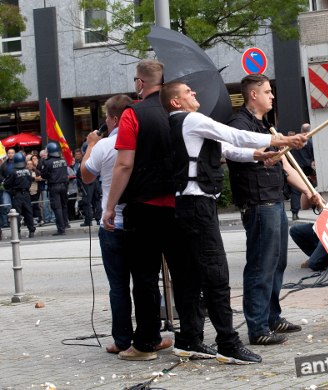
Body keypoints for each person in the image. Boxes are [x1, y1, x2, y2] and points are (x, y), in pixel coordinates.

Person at [159, 81, 307, 363]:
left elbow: (226, 148)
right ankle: (228, 344)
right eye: (188, 92)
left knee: (190, 276)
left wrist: (257, 154)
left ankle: (189, 340)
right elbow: (234, 135)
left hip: (187, 206)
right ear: (176, 102)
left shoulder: (182, 124)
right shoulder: (192, 120)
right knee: (216, 276)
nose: (194, 93)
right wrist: (282, 141)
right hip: (199, 207)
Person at [102, 59, 200, 361]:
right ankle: (191, 339)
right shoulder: (181, 111)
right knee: (184, 274)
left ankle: (145, 343)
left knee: (144, 277)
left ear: (140, 83)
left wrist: (110, 207)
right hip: (180, 203)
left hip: (143, 208)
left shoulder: (133, 114)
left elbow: (124, 163)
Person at [225, 73, 320, 345]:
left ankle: (272, 318)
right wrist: (280, 143)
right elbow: (237, 148)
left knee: (277, 262)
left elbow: (286, 166)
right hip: (258, 202)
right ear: (253, 94)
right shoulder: (239, 124)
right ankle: (256, 327)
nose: (273, 96)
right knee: (260, 264)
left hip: (274, 199)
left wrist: (309, 192)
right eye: (267, 91)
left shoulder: (267, 126)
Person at [81, 94, 172, 355]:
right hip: (141, 220)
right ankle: (151, 336)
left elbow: (85, 176)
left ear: (112, 119)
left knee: (118, 287)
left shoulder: (104, 146)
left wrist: (90, 145)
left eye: (108, 119)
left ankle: (122, 339)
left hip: (112, 225)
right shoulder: (142, 142)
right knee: (145, 282)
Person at [290, 192, 328, 271]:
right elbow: (304, 206)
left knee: (313, 264)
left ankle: (324, 259)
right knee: (294, 230)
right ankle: (322, 257)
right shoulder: (316, 189)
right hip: (322, 229)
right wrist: (307, 188)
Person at [3, 153, 35, 238]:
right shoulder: (27, 171)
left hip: (17, 195)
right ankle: (31, 231)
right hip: (27, 194)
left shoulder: (13, 172)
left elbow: (7, 184)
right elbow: (30, 181)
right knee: (28, 213)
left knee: (16, 214)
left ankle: (17, 233)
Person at [40, 143, 69, 236]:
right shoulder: (63, 161)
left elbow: (43, 175)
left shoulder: (48, 162)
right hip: (64, 186)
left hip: (54, 187)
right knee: (64, 206)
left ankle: (61, 229)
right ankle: (66, 223)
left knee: (57, 208)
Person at [290, 124, 314, 220]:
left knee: (296, 192)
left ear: (301, 130)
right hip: (308, 169)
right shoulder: (311, 141)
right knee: (312, 189)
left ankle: (294, 213)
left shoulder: (294, 141)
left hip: (296, 168)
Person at [0, 148, 16, 228]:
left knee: (15, 204)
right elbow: (1, 174)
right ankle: (14, 217)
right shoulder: (4, 164)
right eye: (9, 153)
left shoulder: (17, 163)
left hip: (15, 187)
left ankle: (16, 218)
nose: (10, 154)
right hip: (6, 187)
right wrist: (3, 179)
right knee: (6, 204)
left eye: (12, 153)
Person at [27, 160, 42, 225]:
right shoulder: (25, 172)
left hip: (35, 191)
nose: (29, 165)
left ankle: (39, 219)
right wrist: (35, 178)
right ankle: (31, 220)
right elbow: (28, 178)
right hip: (28, 192)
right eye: (28, 164)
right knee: (29, 207)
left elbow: (41, 177)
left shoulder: (37, 172)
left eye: (31, 164)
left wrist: (39, 178)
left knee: (36, 206)